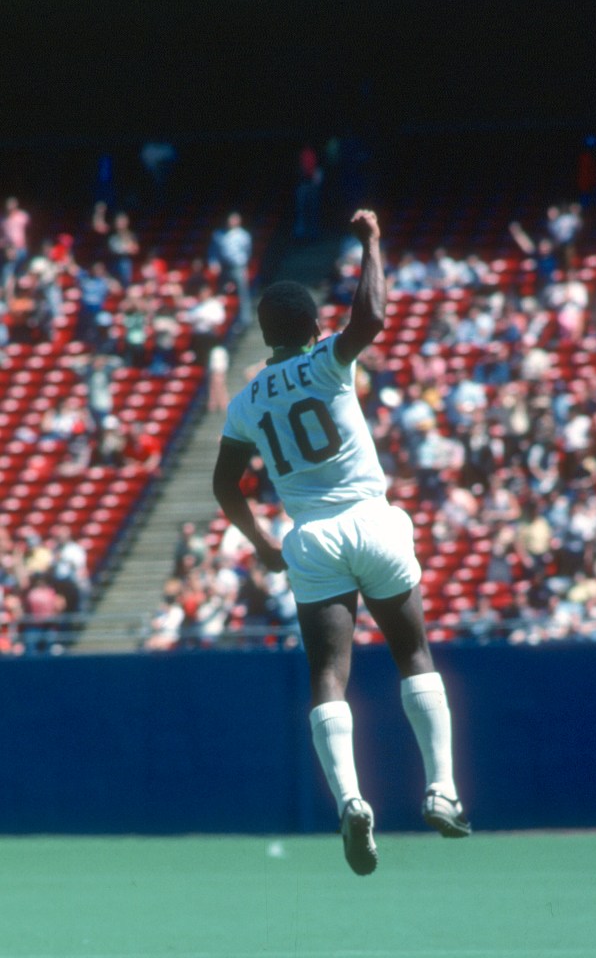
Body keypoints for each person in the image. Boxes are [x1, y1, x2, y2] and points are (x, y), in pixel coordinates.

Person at [212, 210, 470, 877]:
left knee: (329, 676)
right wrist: (373, 241)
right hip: (371, 517)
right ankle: (441, 786)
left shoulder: (246, 401)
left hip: (311, 536)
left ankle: (352, 800)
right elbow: (374, 316)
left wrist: (264, 544)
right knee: (413, 652)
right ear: (314, 328)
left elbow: (224, 485)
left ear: (266, 334)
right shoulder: (328, 362)